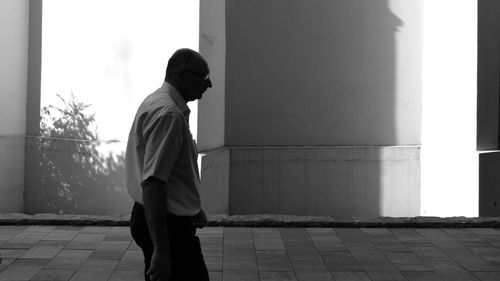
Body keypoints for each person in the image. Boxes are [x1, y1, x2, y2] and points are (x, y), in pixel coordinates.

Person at [126, 48, 212, 281]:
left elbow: (170, 172)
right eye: (204, 77)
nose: (209, 84)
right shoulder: (169, 115)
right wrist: (162, 251)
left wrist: (189, 206)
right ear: (182, 75)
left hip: (158, 217)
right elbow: (153, 183)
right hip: (169, 228)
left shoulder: (157, 101)